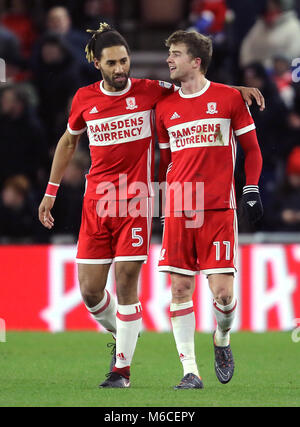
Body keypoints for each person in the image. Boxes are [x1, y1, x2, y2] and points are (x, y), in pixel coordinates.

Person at [38, 22, 264, 389]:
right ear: (97, 63)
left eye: (125, 61)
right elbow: (68, 142)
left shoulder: (150, 91)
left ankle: (128, 367)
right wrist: (51, 191)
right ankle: (131, 338)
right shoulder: (88, 99)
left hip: (147, 203)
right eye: (112, 63)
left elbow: (196, 90)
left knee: (148, 283)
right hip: (105, 203)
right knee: (91, 291)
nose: (120, 68)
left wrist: (233, 93)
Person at [156, 30, 263, 389]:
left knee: (223, 295)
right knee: (180, 290)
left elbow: (253, 150)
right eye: (169, 53)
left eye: (175, 54)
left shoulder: (229, 98)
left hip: (218, 209)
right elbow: (166, 161)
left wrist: (250, 188)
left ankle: (222, 337)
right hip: (179, 210)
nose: (169, 59)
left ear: (196, 61)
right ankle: (190, 371)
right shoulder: (165, 107)